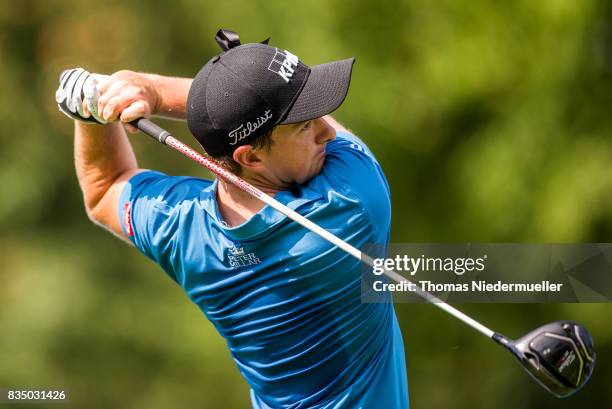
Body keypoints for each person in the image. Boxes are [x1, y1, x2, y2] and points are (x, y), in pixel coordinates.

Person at [56, 29, 409, 409]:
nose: (325, 129)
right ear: (250, 158)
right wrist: (152, 91)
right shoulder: (352, 203)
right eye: (305, 125)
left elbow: (106, 188)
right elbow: (334, 137)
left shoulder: (179, 228)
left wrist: (90, 114)